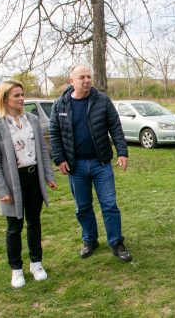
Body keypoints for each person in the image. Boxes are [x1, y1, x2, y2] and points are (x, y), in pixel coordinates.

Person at [49, 65, 132, 262]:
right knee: (83, 207)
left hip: (100, 163)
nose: (87, 80)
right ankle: (90, 240)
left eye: (89, 76)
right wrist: (59, 159)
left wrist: (122, 152)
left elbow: (115, 127)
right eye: (82, 77)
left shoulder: (102, 100)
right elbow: (54, 134)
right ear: (72, 81)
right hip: (75, 166)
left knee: (109, 204)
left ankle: (116, 242)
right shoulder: (60, 105)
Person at [0, 80, 57, 288]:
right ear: (5, 98)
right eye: (17, 95)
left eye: (22, 94)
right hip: (12, 183)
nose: (22, 98)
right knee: (14, 227)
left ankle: (36, 263)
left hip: (33, 179)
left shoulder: (32, 120)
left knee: (34, 222)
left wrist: (49, 176)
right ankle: (16, 269)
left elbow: (43, 150)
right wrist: (2, 190)